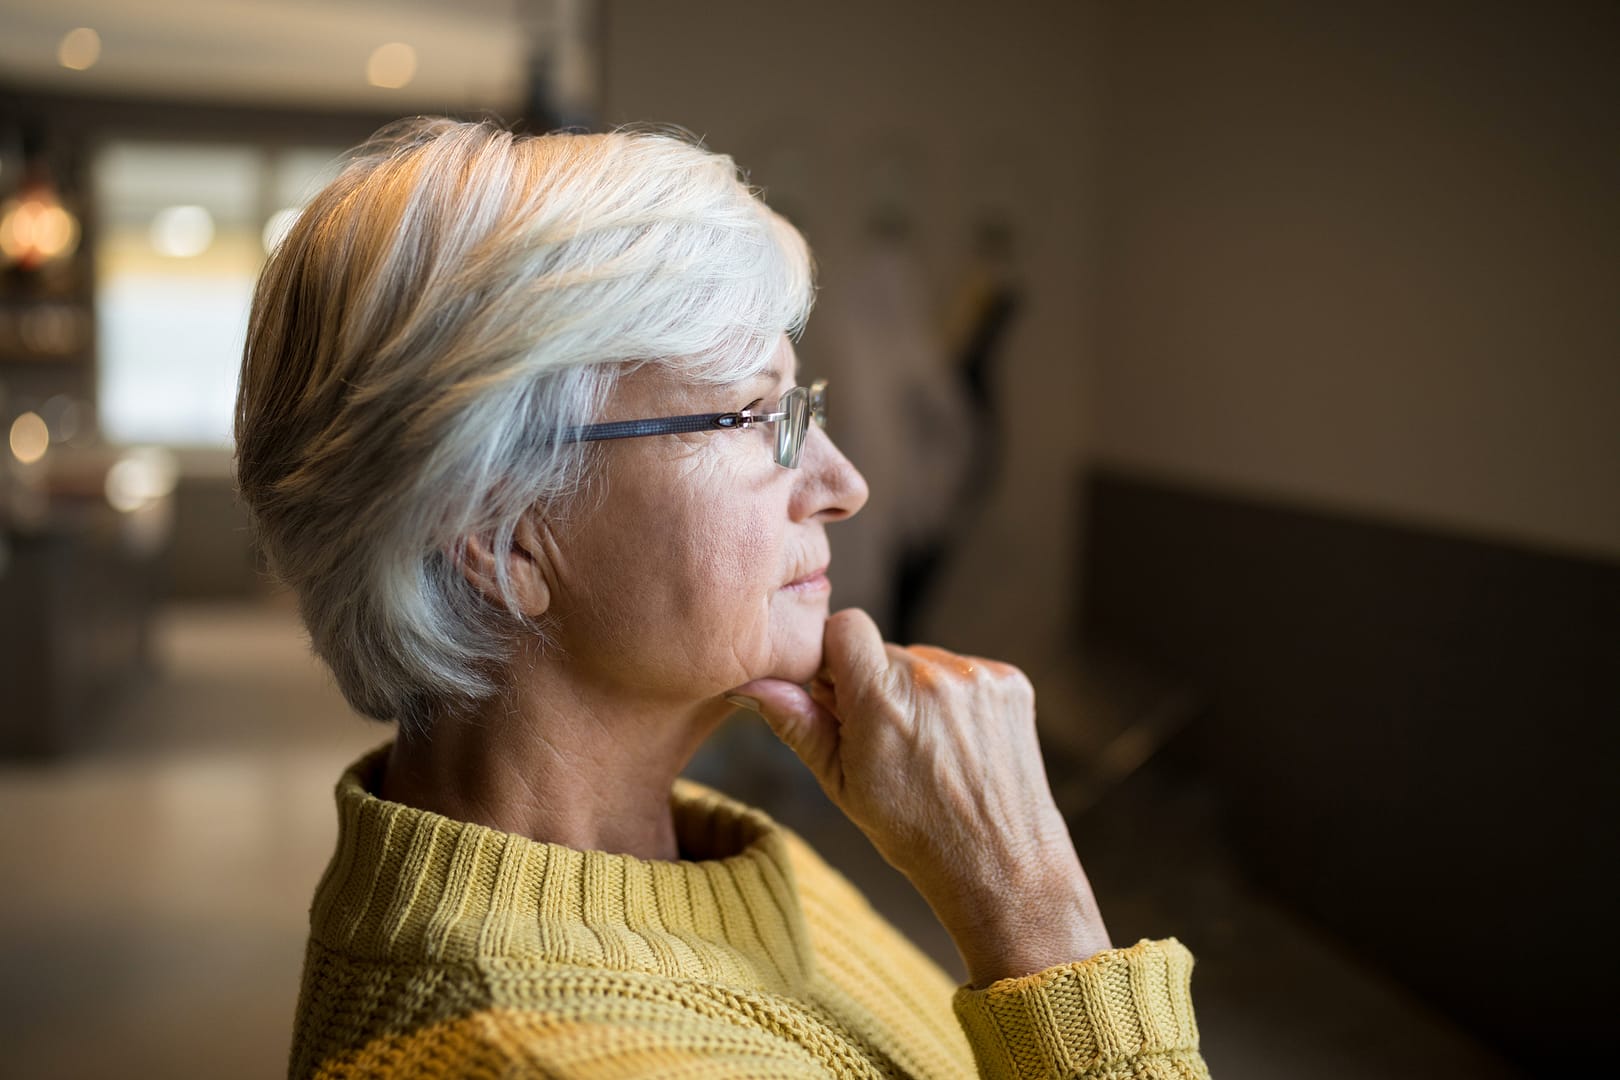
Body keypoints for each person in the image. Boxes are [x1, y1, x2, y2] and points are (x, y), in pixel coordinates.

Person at [236, 118, 1209, 1079]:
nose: (843, 482)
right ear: (502, 534)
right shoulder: (518, 1056)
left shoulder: (687, 845)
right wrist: (1036, 913)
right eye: (754, 415)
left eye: (803, 408)